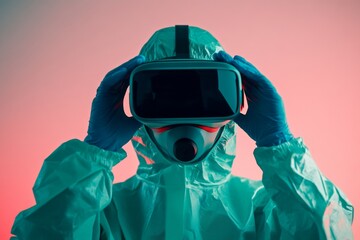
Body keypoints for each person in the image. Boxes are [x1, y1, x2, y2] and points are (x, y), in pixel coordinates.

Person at [11, 26, 354, 240]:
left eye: (205, 94)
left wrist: (280, 147)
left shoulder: (264, 209)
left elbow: (325, 232)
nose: (184, 114)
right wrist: (93, 154)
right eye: (164, 95)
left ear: (235, 105)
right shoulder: (98, 209)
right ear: (134, 101)